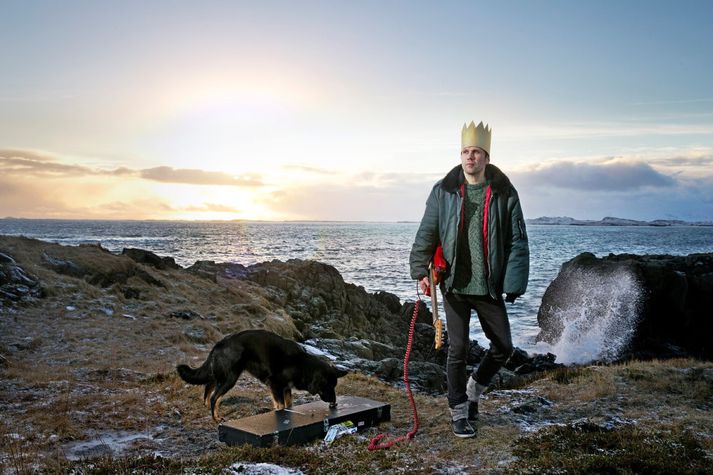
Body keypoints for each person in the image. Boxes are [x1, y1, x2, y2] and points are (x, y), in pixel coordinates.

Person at [409, 120, 529, 438]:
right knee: (457, 349)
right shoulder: (443, 191)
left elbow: (517, 240)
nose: (470, 157)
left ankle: (474, 388)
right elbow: (427, 232)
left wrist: (513, 283)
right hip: (454, 285)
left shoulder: (504, 192)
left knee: (503, 346)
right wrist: (421, 271)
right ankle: (459, 412)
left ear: (486, 157)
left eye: (476, 151)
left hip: (487, 286)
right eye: (465, 151)